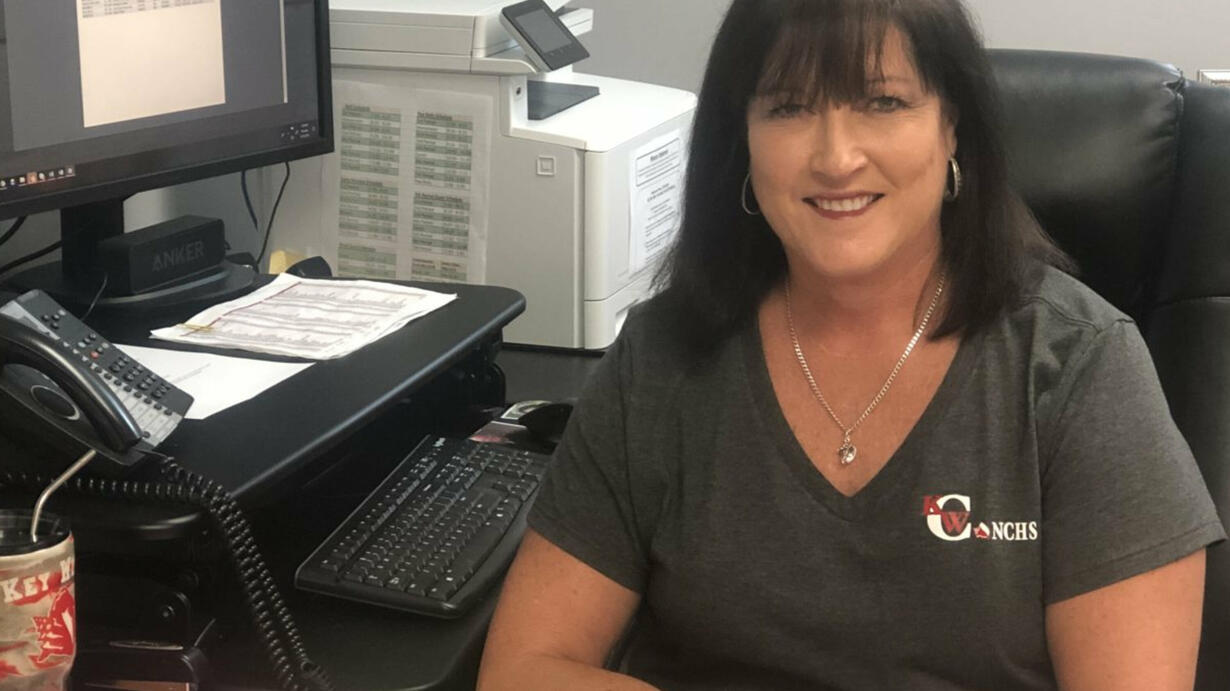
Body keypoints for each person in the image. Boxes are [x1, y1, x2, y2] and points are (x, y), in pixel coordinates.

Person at [477, 0, 1226, 688]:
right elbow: (523, 669)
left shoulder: (1078, 365)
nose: (836, 158)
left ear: (953, 125)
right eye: (789, 107)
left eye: (883, 102)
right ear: (743, 139)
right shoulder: (665, 355)